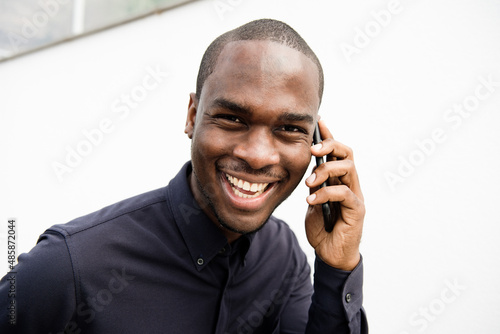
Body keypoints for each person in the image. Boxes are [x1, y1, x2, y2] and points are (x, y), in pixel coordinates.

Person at [0, 19, 367, 333]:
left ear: (316, 144)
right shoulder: (68, 266)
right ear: (192, 115)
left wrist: (338, 266)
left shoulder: (283, 256)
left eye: (289, 128)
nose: (257, 156)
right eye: (233, 119)